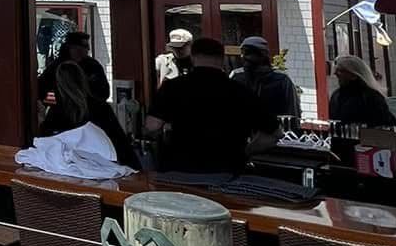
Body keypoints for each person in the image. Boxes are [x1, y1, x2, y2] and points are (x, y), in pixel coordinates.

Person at [146, 36, 276, 175]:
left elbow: (152, 126)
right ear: (222, 59)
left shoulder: (172, 87)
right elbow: (273, 135)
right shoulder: (240, 91)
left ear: (193, 57)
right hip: (227, 171)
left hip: (181, 170)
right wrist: (245, 151)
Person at [40, 62, 142, 171]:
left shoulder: (56, 114)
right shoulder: (100, 108)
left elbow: (46, 147)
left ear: (58, 86)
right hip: (103, 171)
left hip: (68, 173)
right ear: (83, 80)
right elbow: (120, 144)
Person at [233, 36, 300, 129]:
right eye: (243, 53)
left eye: (248, 53)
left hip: (273, 135)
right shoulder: (237, 77)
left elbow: (292, 111)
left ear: (262, 55)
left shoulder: (281, 79)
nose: (243, 56)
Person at [327, 53, 396, 131]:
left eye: (341, 70)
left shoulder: (370, 97)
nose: (336, 74)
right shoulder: (337, 95)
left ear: (354, 75)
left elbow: (383, 125)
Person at [39, 30, 111, 106]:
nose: (88, 49)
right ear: (73, 47)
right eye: (85, 46)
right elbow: (41, 87)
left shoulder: (93, 65)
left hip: (89, 110)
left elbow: (104, 92)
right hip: (65, 111)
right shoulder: (58, 66)